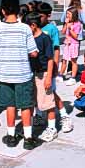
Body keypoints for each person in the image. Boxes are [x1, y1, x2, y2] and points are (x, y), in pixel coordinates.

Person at [0, 0, 39, 150]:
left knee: (10, 105)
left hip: (4, 75)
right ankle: (28, 138)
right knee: (26, 106)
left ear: (2, 11)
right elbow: (33, 52)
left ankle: (11, 135)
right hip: (23, 74)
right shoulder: (25, 28)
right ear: (18, 10)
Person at [37, 3, 74, 133]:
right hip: (37, 68)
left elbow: (56, 49)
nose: (38, 18)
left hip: (49, 66)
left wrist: (55, 66)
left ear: (48, 16)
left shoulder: (51, 29)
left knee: (51, 93)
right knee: (38, 92)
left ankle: (64, 115)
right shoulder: (34, 27)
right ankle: (40, 115)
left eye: (40, 16)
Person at [25, 12, 58, 142]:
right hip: (31, 73)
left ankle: (52, 128)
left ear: (33, 25)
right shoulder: (29, 38)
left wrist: (49, 77)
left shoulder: (45, 38)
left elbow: (50, 59)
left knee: (48, 102)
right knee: (34, 100)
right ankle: (37, 121)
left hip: (43, 73)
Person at [61, 8, 82, 86]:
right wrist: (66, 25)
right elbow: (63, 32)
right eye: (67, 14)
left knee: (73, 61)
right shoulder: (67, 22)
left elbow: (76, 36)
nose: (67, 15)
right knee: (64, 59)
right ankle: (61, 75)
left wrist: (70, 28)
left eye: (69, 14)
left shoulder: (77, 24)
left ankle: (73, 78)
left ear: (74, 15)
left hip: (74, 44)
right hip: (67, 43)